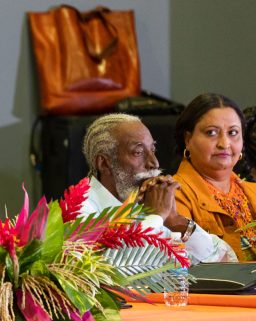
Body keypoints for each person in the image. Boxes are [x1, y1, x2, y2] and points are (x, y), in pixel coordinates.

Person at [80, 113, 235, 263]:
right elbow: (112, 273)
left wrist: (176, 221)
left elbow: (226, 260)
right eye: (138, 152)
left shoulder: (147, 203)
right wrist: (155, 217)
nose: (154, 163)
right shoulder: (80, 210)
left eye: (152, 150)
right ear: (104, 163)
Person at [173, 93, 256, 260]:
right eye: (211, 133)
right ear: (188, 139)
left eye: (233, 132)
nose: (224, 143)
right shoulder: (173, 195)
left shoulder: (252, 190)